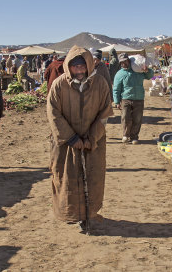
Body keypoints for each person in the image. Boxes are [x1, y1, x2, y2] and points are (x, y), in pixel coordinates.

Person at [47, 45, 113, 232]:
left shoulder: (100, 83)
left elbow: (104, 113)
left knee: (93, 178)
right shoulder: (59, 85)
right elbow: (53, 113)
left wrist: (92, 138)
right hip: (66, 143)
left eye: (83, 66)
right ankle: (74, 215)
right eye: (75, 67)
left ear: (89, 66)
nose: (79, 70)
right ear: (69, 67)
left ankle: (89, 216)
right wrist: (71, 138)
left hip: (93, 143)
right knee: (68, 180)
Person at [113, 53, 154, 144]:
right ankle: (125, 135)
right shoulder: (120, 74)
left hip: (138, 98)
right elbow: (116, 88)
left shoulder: (138, 70)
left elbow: (150, 75)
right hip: (125, 98)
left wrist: (147, 70)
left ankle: (134, 137)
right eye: (121, 62)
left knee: (137, 118)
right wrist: (116, 101)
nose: (123, 64)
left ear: (129, 61)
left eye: (125, 61)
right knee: (125, 118)